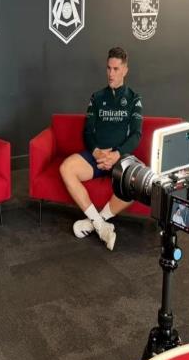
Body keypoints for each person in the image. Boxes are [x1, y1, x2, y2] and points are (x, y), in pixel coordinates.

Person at [59, 47, 143, 251]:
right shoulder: (96, 97)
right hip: (96, 156)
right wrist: (97, 152)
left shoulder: (134, 98)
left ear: (125, 70)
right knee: (66, 168)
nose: (111, 73)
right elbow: (87, 131)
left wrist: (116, 155)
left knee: (139, 182)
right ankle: (101, 226)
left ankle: (95, 222)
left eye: (116, 69)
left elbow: (136, 135)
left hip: (119, 157)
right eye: (108, 68)